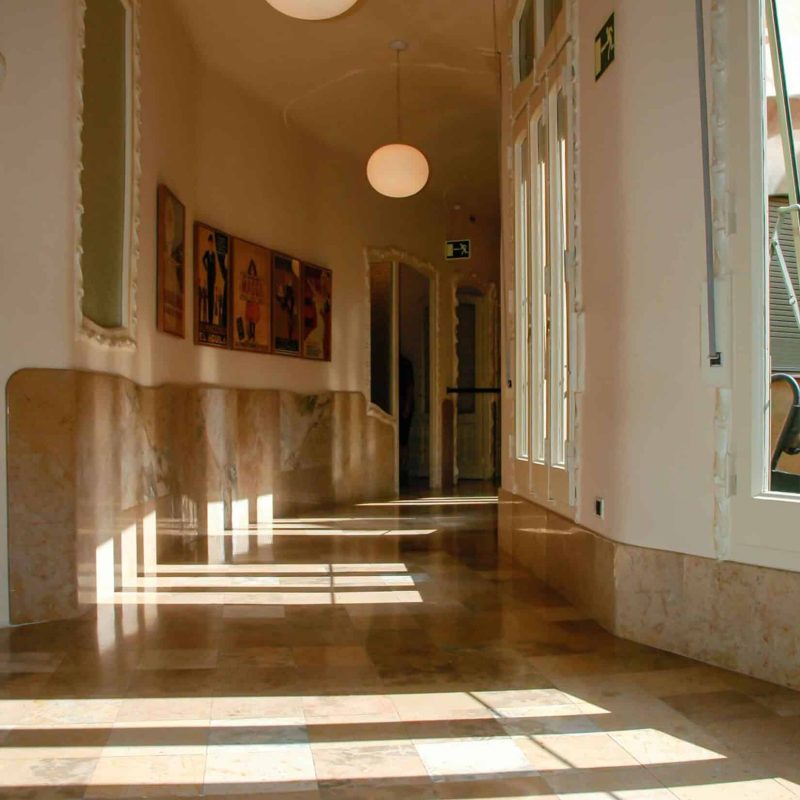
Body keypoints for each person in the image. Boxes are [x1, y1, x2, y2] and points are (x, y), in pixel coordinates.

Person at [399, 354, 415, 486]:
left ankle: (402, 469)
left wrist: (407, 407)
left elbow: (410, 388)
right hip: (398, 405)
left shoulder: (405, 364)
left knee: (403, 440)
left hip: (403, 406)